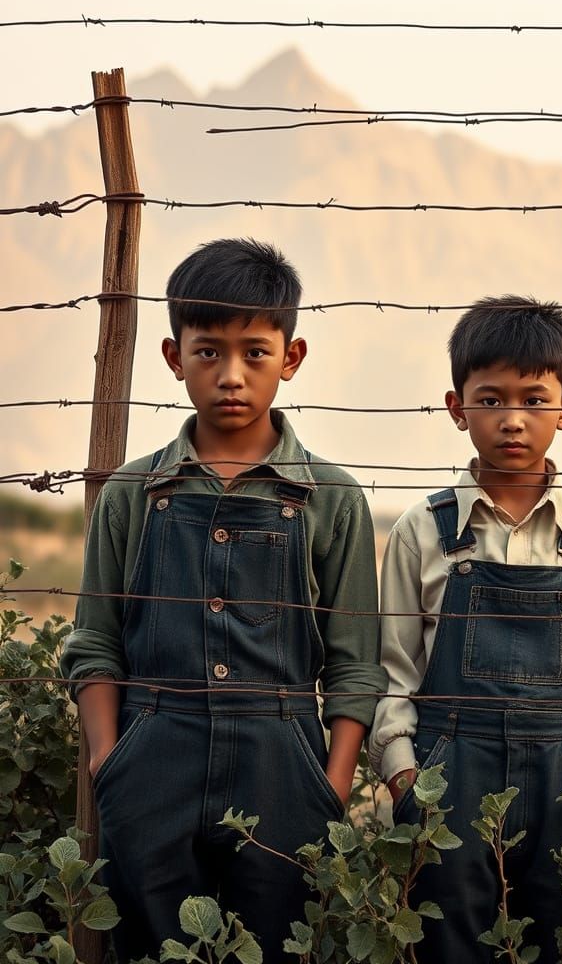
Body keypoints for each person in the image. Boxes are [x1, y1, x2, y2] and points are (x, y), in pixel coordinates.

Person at [61, 238, 386, 962]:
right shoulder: (134, 492)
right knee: (151, 948)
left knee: (274, 947)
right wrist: (113, 763)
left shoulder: (330, 497)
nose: (231, 376)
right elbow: (94, 642)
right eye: (208, 353)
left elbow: (356, 666)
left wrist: (326, 788)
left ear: (291, 357)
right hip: (153, 758)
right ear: (175, 358)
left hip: (285, 765)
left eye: (255, 353)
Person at [369, 295, 562, 963]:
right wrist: (407, 777)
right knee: (447, 942)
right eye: (490, 399)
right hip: (449, 773)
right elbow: (394, 670)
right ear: (456, 405)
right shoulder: (425, 530)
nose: (512, 419)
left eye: (533, 398)